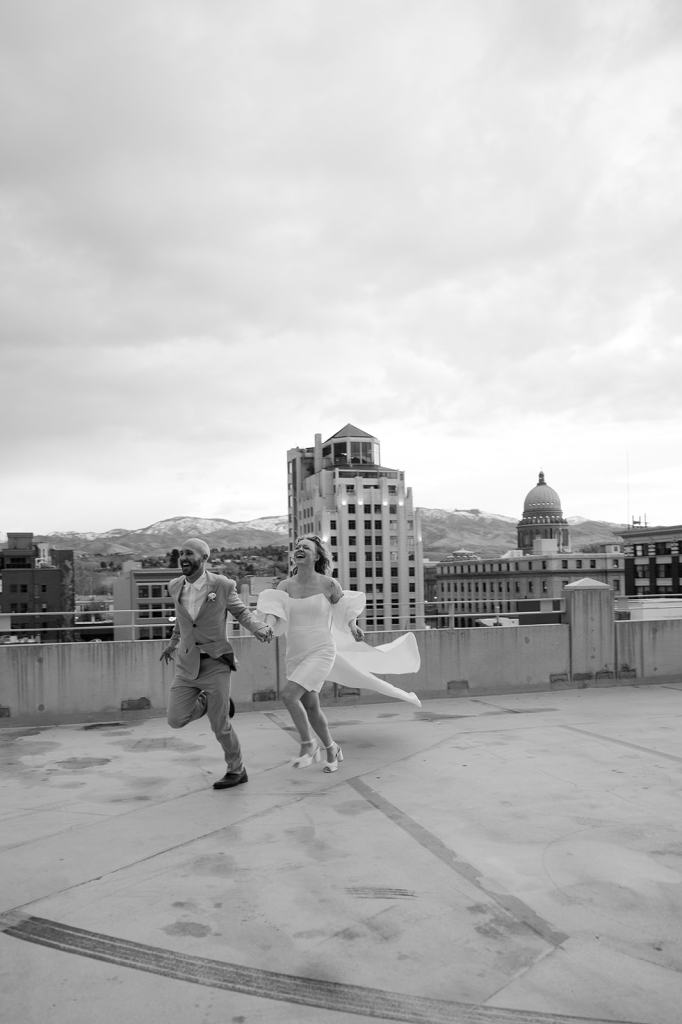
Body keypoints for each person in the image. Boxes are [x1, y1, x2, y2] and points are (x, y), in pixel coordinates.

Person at [257, 536, 421, 773]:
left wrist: (353, 626)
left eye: (307, 548)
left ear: (317, 556)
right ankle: (331, 747)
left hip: (321, 649)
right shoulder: (284, 587)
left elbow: (344, 609)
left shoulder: (328, 584)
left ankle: (308, 745)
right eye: (298, 547)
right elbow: (273, 612)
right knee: (311, 706)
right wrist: (269, 627)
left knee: (289, 695)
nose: (300, 549)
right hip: (295, 652)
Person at [160, 538, 273, 790]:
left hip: (215, 663)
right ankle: (208, 702)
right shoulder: (175, 585)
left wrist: (258, 627)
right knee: (175, 719)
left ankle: (237, 770)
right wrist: (172, 642)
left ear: (204, 558)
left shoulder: (222, 585)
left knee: (220, 726)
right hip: (187, 663)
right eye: (181, 553)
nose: (183, 557)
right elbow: (182, 619)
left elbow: (241, 612)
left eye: (189, 553)